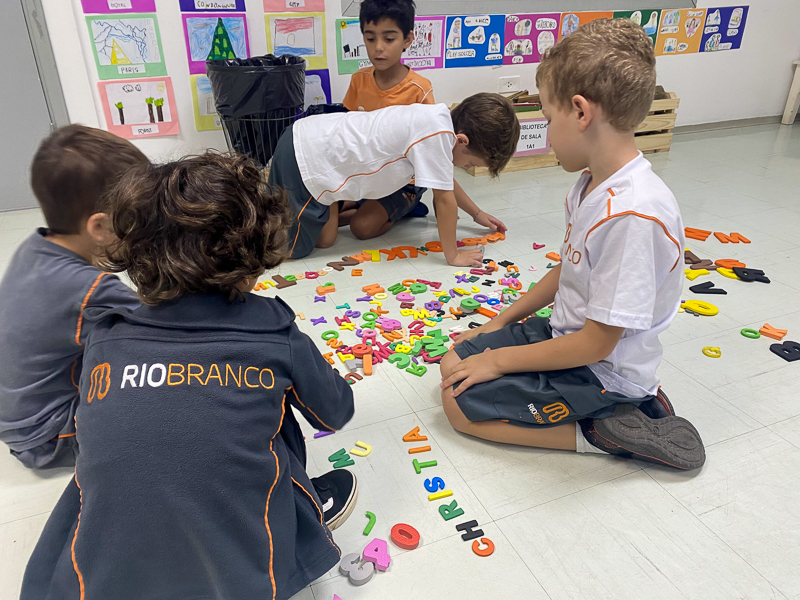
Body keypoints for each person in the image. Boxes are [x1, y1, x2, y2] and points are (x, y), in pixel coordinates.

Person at [21, 152, 357, 600]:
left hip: (98, 578)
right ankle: (302, 514)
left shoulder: (104, 336)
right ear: (255, 255)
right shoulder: (275, 333)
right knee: (273, 417)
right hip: (244, 578)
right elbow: (336, 413)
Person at [439, 19, 706, 470]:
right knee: (454, 364)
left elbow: (598, 343)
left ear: (581, 113)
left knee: (457, 406)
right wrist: (498, 324)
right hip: (565, 336)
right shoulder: (588, 185)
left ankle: (602, 431)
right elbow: (569, 269)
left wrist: (499, 361)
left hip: (601, 370)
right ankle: (607, 414)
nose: (546, 131)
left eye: (547, 118)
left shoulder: (633, 215)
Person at [0, 125, 146, 468]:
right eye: (137, 219)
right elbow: (165, 325)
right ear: (99, 228)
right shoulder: (90, 289)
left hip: (20, 418)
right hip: (48, 434)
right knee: (166, 386)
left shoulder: (34, 247)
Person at [268, 93, 519, 267]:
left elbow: (446, 181)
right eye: (470, 163)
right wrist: (452, 256)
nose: (465, 167)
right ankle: (250, 221)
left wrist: (476, 213)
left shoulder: (439, 121)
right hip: (305, 157)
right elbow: (444, 200)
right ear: (462, 141)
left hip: (318, 147)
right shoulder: (439, 135)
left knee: (326, 240)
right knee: (289, 248)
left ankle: (333, 204)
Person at [339, 0, 437, 237]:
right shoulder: (359, 80)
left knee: (361, 228)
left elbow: (433, 153)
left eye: (389, 39)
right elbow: (347, 132)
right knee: (324, 210)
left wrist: (474, 211)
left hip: (404, 182)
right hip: (368, 175)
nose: (378, 48)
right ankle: (372, 206)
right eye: (370, 38)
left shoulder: (419, 89)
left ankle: (407, 205)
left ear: (408, 39)